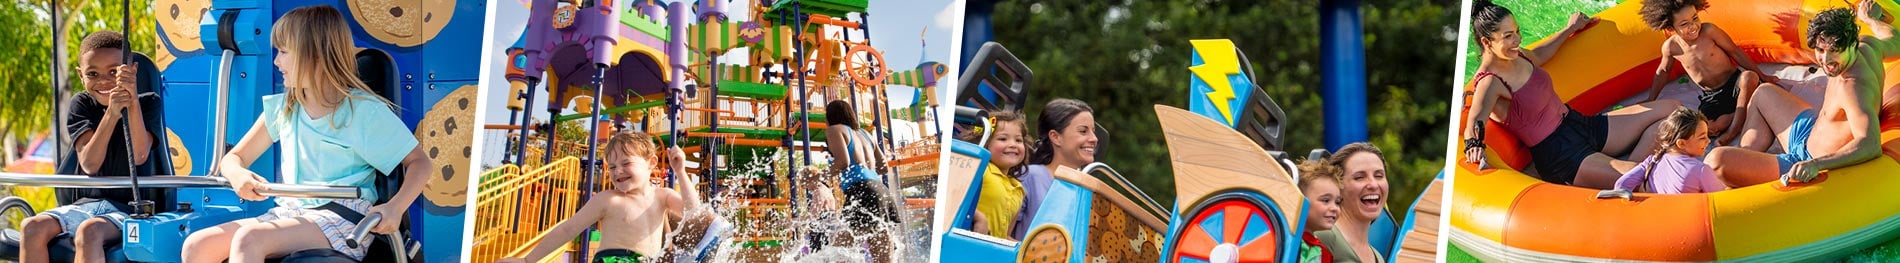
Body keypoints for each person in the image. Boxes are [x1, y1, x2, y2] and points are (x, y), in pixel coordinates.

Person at [177, 5, 434, 262]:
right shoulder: (282, 109)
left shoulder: (363, 111)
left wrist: (395, 208)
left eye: (284, 52)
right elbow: (232, 159)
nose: (276, 61)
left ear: (316, 56)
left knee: (250, 239)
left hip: (344, 216)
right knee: (196, 246)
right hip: (292, 213)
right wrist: (237, 174)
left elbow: (420, 163)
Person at [1463, 0, 1680, 189]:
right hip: (1559, 153)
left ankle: (1621, 169)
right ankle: (1626, 173)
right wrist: (1474, 145)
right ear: (1486, 42)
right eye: (1508, 36)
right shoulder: (1490, 81)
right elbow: (1475, 120)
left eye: (1517, 31)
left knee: (1673, 110)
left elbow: (1539, 55)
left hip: (1578, 124)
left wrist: (1570, 28)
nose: (1517, 39)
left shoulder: (1517, 55)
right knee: (1643, 176)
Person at [1705, 3, 1892, 187]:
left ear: (1852, 44)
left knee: (1716, 160)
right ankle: (1746, 155)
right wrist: (1871, 20)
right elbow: (1895, 39)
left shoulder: (1853, 87)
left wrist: (1815, 164)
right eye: (1820, 50)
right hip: (1808, 133)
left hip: (1807, 160)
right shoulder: (1869, 46)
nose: (1826, 60)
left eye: (1834, 51)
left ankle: (1745, 168)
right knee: (1763, 92)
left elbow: (1870, 144)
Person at [20, 30, 167, 263]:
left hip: (130, 209)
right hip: (86, 205)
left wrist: (130, 101)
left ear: (132, 71)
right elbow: (90, 163)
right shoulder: (82, 104)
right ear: (81, 75)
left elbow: (139, 155)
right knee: (32, 227)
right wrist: (112, 113)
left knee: (89, 232)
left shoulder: (148, 102)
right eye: (93, 74)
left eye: (113, 72)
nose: (104, 81)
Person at [496, 131, 696, 263]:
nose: (618, 172)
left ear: (651, 163)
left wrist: (680, 172)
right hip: (613, 259)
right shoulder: (608, 199)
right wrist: (527, 260)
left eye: (626, 163)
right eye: (612, 167)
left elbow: (694, 211)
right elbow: (569, 228)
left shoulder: (662, 196)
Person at [1639, 0, 1782, 145]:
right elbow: (1663, 71)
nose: (1693, 26)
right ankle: (1742, 113)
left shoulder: (1709, 31)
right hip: (1712, 96)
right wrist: (1651, 98)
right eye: (1684, 24)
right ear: (1670, 27)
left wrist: (1763, 76)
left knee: (1749, 77)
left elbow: (1735, 52)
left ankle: (1733, 129)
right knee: (1705, 127)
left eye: (1695, 18)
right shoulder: (1671, 47)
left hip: (1735, 83)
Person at [823, 100, 904, 263]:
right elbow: (883, 167)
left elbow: (843, 161)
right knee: (883, 257)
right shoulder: (866, 134)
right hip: (880, 191)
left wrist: (821, 176)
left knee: (839, 250)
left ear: (830, 116)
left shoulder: (834, 130)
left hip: (862, 192)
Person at [1012, 98, 1095, 240]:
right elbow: (1001, 236)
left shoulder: (1090, 190)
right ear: (1056, 137)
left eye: (1093, 131)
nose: (1094, 138)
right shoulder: (1030, 177)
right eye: (1083, 131)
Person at [1608, 107, 1726, 195]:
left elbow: (1621, 184)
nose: (1708, 141)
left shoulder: (1653, 160)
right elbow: (1722, 201)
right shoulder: (1700, 170)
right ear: (1681, 143)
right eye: (1702, 137)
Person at [960, 110, 1029, 240]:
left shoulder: (1018, 189)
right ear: (985, 142)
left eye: (1018, 140)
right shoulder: (980, 169)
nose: (1013, 145)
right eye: (1003, 139)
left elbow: (1005, 235)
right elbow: (952, 198)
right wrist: (978, 217)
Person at [1316, 143, 1389, 263]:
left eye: (1379, 176)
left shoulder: (1378, 257)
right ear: (1338, 186)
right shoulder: (1325, 236)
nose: (1373, 184)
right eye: (1359, 177)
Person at [1296, 160, 1343, 263]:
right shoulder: (1282, 241)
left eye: (1337, 202)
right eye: (1326, 200)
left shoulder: (1324, 253)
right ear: (1300, 201)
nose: (1334, 208)